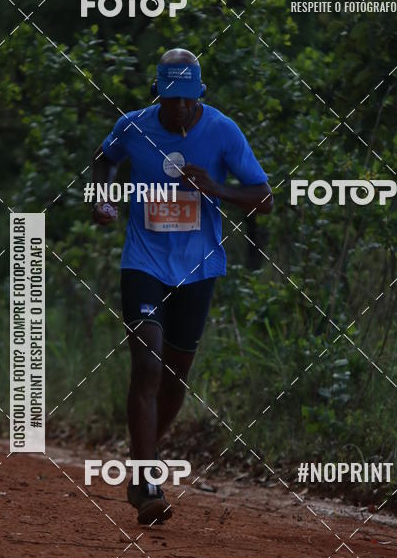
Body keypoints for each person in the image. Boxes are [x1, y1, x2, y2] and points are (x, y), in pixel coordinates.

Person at [92, 48, 273, 525]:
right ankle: (148, 480)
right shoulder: (133, 126)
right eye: (170, 101)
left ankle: (140, 462)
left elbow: (264, 198)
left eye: (187, 101)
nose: (178, 110)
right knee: (146, 364)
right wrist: (104, 198)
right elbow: (104, 160)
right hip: (144, 262)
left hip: (199, 269)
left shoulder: (222, 131)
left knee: (174, 377)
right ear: (158, 95)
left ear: (200, 97)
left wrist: (218, 189)